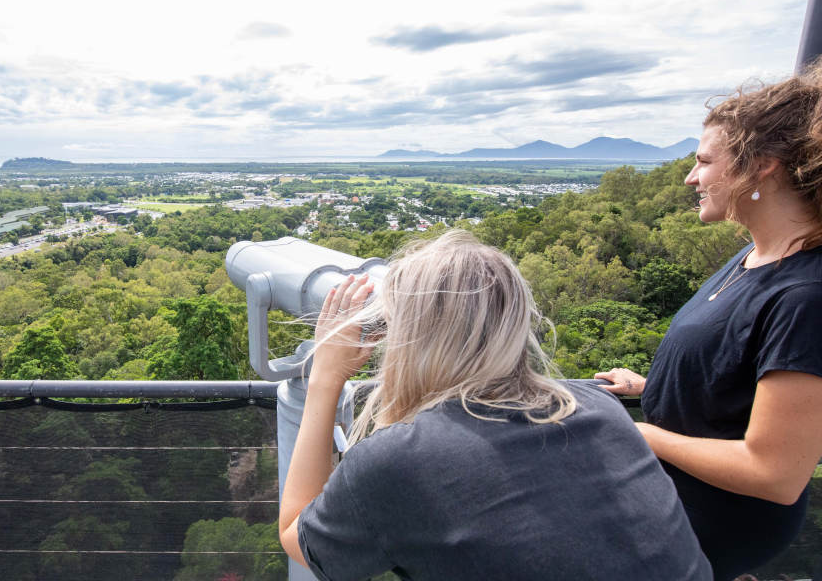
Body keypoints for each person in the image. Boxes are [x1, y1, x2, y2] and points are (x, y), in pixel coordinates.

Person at [278, 230, 711, 580]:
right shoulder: (600, 408)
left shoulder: (401, 459)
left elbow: (297, 534)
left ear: (413, 340)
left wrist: (325, 379)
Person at [596, 65, 822, 580]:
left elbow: (775, 474)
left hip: (714, 521)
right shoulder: (755, 257)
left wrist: (638, 433)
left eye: (703, 162)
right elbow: (740, 386)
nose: (690, 178)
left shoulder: (807, 296)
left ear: (761, 166)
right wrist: (650, 388)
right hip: (676, 496)